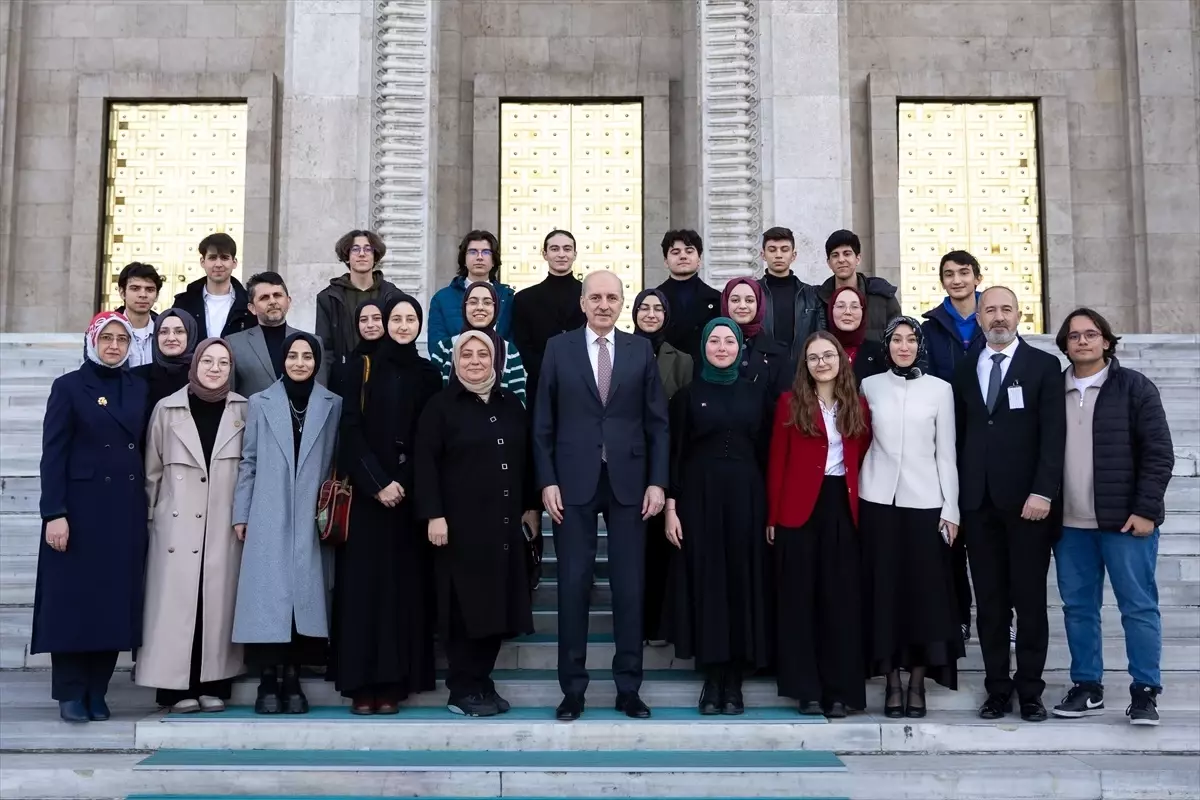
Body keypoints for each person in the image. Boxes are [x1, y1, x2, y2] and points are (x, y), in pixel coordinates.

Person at [533, 270, 670, 722]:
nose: (604, 304)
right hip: (571, 482)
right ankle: (572, 691)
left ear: (622, 302)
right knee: (573, 585)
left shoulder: (639, 349)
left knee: (629, 588)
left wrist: (658, 481)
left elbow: (657, 423)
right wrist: (546, 480)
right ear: (582, 302)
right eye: (596, 297)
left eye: (612, 297)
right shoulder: (558, 348)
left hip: (631, 482)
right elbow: (543, 422)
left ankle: (628, 688)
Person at [1050, 309, 1174, 726]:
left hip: (1124, 522)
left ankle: (1145, 691)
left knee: (1138, 607)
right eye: (1074, 336)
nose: (1082, 341)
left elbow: (1158, 453)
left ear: (1106, 341)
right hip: (1069, 525)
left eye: (1091, 334)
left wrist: (1146, 510)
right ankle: (1087, 686)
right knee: (1078, 608)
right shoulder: (1052, 389)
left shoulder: (1134, 387)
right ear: (1064, 344)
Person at [953, 286, 1066, 722]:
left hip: (1027, 507)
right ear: (978, 317)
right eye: (990, 310)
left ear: (1020, 315)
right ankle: (997, 688)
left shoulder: (1043, 366)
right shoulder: (964, 370)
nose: (998, 317)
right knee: (992, 603)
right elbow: (960, 438)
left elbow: (1054, 437)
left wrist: (1044, 492)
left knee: (1030, 602)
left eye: (1006, 310)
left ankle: (1031, 691)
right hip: (978, 507)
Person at [33, 311, 148, 722]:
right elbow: (53, 454)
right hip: (78, 512)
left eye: (121, 339)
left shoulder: (139, 387)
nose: (114, 346)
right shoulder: (68, 387)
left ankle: (97, 690)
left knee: (112, 602)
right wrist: (54, 513)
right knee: (72, 602)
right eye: (107, 339)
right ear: (92, 341)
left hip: (124, 510)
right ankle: (69, 692)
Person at [415, 330, 537, 717]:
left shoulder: (511, 405)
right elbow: (425, 464)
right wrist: (434, 515)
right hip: (458, 528)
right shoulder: (440, 406)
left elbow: (526, 461)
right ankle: (461, 687)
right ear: (455, 361)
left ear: (495, 360)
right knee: (464, 609)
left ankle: (482, 681)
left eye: (482, 354)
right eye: (465, 354)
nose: (474, 361)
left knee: (497, 607)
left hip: (502, 526)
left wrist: (531, 508)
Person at [333, 294, 442, 714]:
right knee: (364, 592)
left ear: (418, 325)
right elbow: (350, 429)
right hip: (366, 498)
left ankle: (395, 685)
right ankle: (362, 685)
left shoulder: (428, 373)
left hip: (408, 500)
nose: (401, 325)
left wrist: (402, 482)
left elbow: (429, 439)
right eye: (395, 318)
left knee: (402, 593)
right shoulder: (360, 368)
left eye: (409, 318)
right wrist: (378, 483)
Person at [664, 317, 772, 715]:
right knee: (708, 582)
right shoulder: (687, 396)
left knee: (741, 581)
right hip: (699, 502)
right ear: (704, 347)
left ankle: (735, 681)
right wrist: (672, 508)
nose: (722, 347)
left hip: (747, 500)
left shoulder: (757, 395)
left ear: (741, 347)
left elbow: (766, 453)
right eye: (715, 341)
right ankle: (712, 677)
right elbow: (675, 454)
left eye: (730, 340)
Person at [232, 333, 342, 715]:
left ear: (316, 361)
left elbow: (334, 461)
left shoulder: (332, 404)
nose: (299, 362)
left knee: (303, 599)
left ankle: (293, 678)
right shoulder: (260, 403)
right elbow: (249, 460)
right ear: (283, 361)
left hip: (312, 512)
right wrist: (241, 513)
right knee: (268, 598)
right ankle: (267, 680)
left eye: (306, 356)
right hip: (268, 508)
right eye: (292, 356)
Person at [860, 318, 964, 719]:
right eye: (896, 340)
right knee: (885, 593)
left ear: (920, 345)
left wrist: (950, 507)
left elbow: (947, 453)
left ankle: (917, 683)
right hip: (878, 500)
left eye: (910, 339)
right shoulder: (870, 386)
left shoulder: (940, 390)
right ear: (886, 346)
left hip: (926, 503)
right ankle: (890, 682)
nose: (903, 346)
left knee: (923, 597)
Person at [137, 338, 248, 713]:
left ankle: (213, 683)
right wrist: (152, 517)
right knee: (177, 605)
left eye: (223, 362)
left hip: (222, 523)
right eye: (208, 361)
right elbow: (151, 471)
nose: (215, 369)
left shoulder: (242, 411)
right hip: (176, 524)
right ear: (195, 364)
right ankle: (172, 689)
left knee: (215, 604)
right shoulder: (166, 410)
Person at [767, 331, 871, 718]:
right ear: (805, 366)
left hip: (841, 507)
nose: (822, 362)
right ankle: (805, 689)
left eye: (828, 355)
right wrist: (773, 516)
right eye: (813, 358)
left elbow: (863, 456)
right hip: (797, 509)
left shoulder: (857, 405)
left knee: (839, 602)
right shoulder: (789, 403)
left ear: (841, 361)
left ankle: (840, 691)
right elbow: (777, 461)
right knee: (799, 602)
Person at [920, 250, 984, 642]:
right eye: (949, 274)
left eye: (963, 273)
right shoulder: (931, 329)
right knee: (951, 540)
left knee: (988, 546)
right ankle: (959, 616)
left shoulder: (994, 322)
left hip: (988, 446)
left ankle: (1002, 620)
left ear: (977, 277)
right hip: (946, 448)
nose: (957, 280)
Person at [632, 288, 692, 646]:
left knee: (661, 549)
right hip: (631, 461)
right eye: (644, 307)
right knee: (635, 548)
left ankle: (660, 623)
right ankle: (636, 621)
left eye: (657, 308)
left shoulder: (682, 360)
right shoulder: (623, 351)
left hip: (668, 458)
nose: (651, 314)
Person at [510, 229, 587, 401]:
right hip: (540, 386)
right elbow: (522, 345)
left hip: (584, 385)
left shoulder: (590, 296)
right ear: (544, 254)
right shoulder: (524, 299)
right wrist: (547, 372)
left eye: (567, 249)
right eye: (554, 249)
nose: (561, 254)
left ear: (575, 254)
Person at [226, 272, 328, 396]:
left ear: (288, 301)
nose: (272, 301)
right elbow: (230, 395)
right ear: (252, 308)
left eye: (277, 295)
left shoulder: (313, 342)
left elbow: (322, 395)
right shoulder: (234, 343)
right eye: (264, 297)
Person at [429, 281, 527, 406]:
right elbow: (433, 400)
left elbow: (518, 404)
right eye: (473, 302)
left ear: (495, 308)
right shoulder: (446, 347)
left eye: (487, 302)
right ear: (464, 307)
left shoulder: (509, 351)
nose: (480, 307)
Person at [316, 229, 401, 367]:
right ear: (347, 256)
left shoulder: (393, 295)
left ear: (375, 256)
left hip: (386, 372)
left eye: (368, 249)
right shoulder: (328, 298)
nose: (362, 254)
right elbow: (325, 348)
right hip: (343, 377)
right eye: (355, 249)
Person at [427, 230, 516, 346]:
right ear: (464, 259)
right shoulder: (442, 299)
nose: (479, 257)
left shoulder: (508, 298)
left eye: (486, 252)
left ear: (494, 260)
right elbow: (436, 345)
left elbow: (514, 342)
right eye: (473, 252)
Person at [757, 227, 826, 374]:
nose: (778, 255)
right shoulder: (753, 294)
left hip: (801, 374)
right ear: (763, 255)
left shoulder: (812, 295)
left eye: (784, 249)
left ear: (793, 255)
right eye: (772, 249)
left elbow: (821, 338)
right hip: (761, 374)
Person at [815, 230, 901, 342]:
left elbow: (899, 339)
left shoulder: (882, 296)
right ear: (829, 263)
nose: (841, 260)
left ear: (858, 259)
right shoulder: (817, 299)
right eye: (835, 255)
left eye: (847, 254)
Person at [172, 233, 256, 340]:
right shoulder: (184, 302)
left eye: (224, 258)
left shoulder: (249, 305)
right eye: (212, 258)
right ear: (203, 262)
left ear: (234, 263)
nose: (218, 264)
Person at [655, 230, 720, 363]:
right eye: (675, 252)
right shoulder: (654, 299)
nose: (683, 256)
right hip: (665, 373)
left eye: (689, 251)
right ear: (666, 261)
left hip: (705, 372)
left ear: (699, 260)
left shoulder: (716, 299)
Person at [131, 309, 199, 431]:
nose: (171, 338)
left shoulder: (202, 377)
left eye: (179, 331)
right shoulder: (136, 377)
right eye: (163, 332)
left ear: (191, 335)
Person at [721, 277, 790, 396]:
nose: (742, 306)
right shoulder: (711, 348)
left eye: (749, 300)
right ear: (725, 303)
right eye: (735, 300)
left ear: (759, 304)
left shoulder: (778, 352)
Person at [827, 285, 886, 384]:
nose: (848, 312)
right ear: (831, 310)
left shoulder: (880, 353)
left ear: (863, 312)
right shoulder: (819, 352)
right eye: (841, 306)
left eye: (854, 307)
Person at [328, 298, 385, 399]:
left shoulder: (397, 359)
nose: (370, 325)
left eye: (376, 318)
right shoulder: (347, 365)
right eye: (363, 320)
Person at [115, 262, 163, 367]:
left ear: (156, 295)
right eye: (135, 288)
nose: (143, 295)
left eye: (150, 290)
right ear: (122, 293)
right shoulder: (103, 330)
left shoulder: (165, 330)